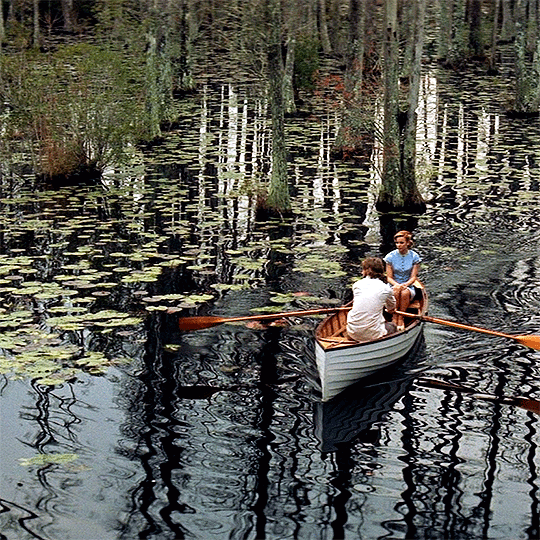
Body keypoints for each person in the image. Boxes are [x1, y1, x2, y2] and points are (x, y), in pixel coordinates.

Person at [346, 257, 397, 342]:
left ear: (366, 271)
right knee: (393, 327)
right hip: (373, 334)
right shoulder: (386, 288)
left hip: (352, 331)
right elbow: (391, 308)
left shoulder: (356, 285)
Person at [384, 230, 422, 331]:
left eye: (401, 243)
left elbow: (414, 277)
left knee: (405, 293)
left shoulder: (414, 257)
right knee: (395, 291)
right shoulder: (390, 257)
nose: (398, 245)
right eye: (397, 243)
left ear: (408, 243)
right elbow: (389, 278)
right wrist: (397, 285)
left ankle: (401, 317)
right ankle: (394, 316)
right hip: (393, 284)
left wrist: (405, 285)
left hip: (408, 285)